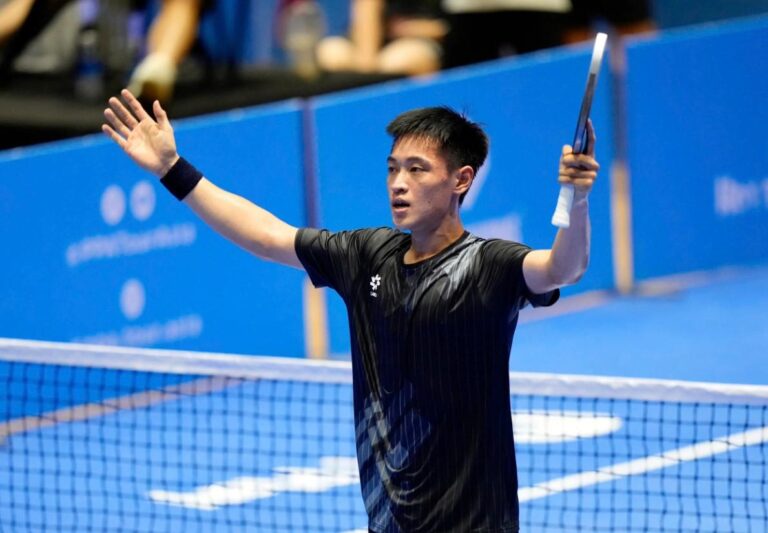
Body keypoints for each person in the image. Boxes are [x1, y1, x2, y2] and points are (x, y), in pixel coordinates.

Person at [102, 88, 598, 531]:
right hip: (389, 520)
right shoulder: (368, 255)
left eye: (417, 169)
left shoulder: (489, 265)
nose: (398, 183)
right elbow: (268, 237)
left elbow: (563, 267)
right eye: (392, 168)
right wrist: (172, 169)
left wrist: (576, 200)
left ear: (461, 180)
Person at [315, 0, 446, 75]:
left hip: (414, 43)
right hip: (369, 52)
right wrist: (367, 63)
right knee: (331, 51)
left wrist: (407, 29)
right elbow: (366, 18)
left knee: (409, 57)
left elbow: (441, 28)